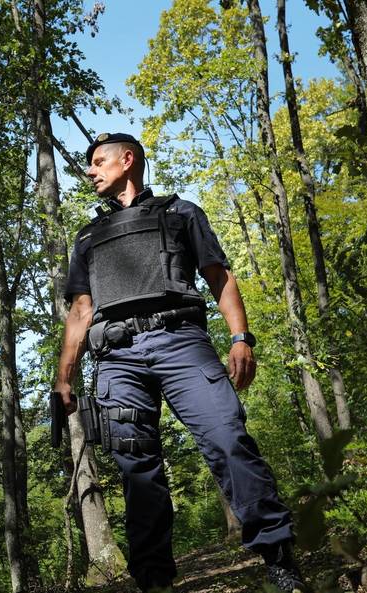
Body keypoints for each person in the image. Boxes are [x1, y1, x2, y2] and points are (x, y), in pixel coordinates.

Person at [53, 133, 307, 593]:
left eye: (97, 162)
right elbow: (80, 311)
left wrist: (240, 337)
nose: (90, 172)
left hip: (181, 341)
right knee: (137, 471)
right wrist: (63, 377)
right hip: (116, 359)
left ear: (127, 160)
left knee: (228, 439)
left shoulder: (180, 213)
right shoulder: (88, 236)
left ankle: (279, 558)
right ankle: (154, 582)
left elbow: (219, 276)